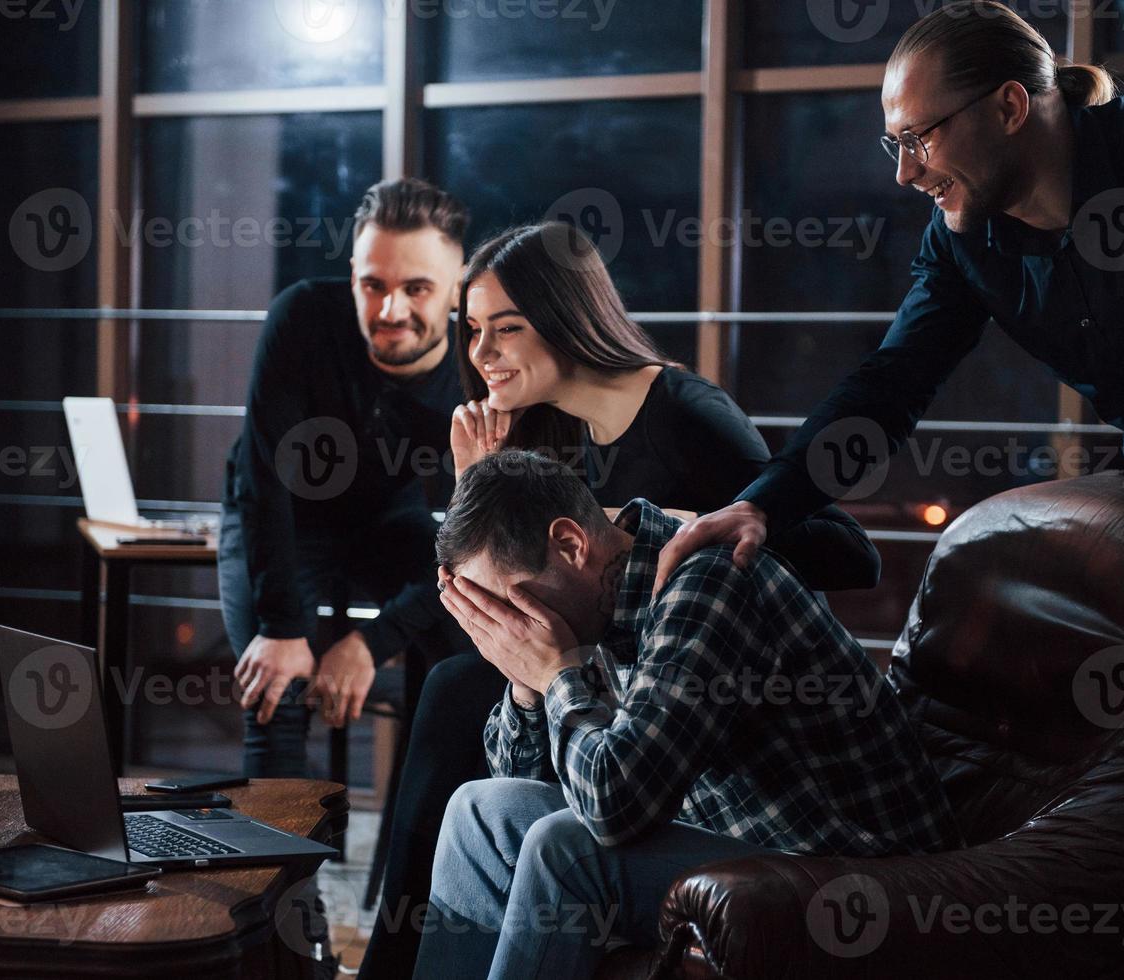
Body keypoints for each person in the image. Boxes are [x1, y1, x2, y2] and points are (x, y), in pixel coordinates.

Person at [653, 4, 1124, 976]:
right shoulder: (965, 238)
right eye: (891, 141)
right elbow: (889, 384)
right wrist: (762, 503)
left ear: (1007, 105)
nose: (902, 170)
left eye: (917, 136)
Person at [358, 222, 880, 978]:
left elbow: (845, 550)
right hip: (620, 660)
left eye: (506, 330)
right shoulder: (543, 424)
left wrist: (689, 533)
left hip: (706, 648)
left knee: (464, 705)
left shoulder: (683, 413)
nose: (481, 354)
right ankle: (403, 960)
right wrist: (483, 483)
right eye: (472, 332)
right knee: (475, 760)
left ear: (567, 317)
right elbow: (500, 556)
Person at [412, 450, 958, 979]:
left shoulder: (706, 580)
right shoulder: (594, 606)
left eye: (508, 606)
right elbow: (529, 780)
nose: (508, 628)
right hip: (745, 852)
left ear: (570, 543)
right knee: (480, 810)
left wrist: (556, 674)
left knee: (568, 850)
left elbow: (613, 809)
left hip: (860, 882)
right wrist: (526, 683)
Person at [219, 177, 473, 778]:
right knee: (274, 690)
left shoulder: (477, 367)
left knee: (469, 658)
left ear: (457, 287)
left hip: (386, 517)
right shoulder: (302, 315)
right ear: (353, 274)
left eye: (417, 288)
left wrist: (371, 643)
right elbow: (263, 479)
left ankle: (421, 862)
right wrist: (283, 628)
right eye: (373, 286)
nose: (392, 311)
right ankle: (284, 874)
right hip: (283, 514)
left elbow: (472, 549)